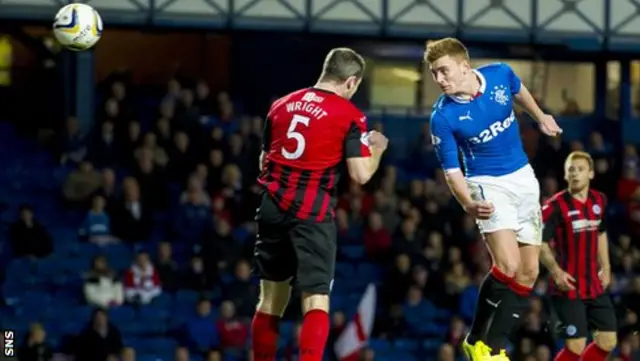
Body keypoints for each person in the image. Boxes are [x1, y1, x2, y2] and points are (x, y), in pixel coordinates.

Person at [426, 38, 562, 360]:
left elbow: (518, 88)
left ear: (464, 66)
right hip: (485, 183)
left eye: (444, 71)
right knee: (508, 265)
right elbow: (451, 171)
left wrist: (540, 116)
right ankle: (475, 340)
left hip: (523, 178)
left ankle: (494, 347)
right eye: (434, 74)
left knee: (529, 273)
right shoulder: (442, 117)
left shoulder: (500, 75)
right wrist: (468, 204)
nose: (440, 79)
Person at [251, 47, 389, 361]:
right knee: (315, 300)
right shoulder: (350, 115)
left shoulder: (280, 105)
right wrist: (377, 149)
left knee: (270, 300)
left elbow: (263, 162)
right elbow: (360, 174)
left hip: (272, 206)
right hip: (311, 213)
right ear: (351, 82)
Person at [540, 151, 617, 361]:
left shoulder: (599, 200)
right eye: (570, 170)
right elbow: (540, 242)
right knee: (575, 345)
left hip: (593, 284)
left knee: (608, 340)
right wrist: (556, 271)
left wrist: (606, 268)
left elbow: (601, 232)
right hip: (568, 286)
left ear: (591, 174)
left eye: (580, 169)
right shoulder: (554, 206)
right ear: (565, 176)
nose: (575, 174)